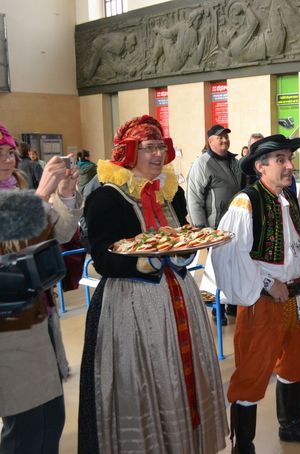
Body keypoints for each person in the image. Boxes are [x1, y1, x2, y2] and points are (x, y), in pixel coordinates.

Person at [78, 115, 228, 453]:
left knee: (182, 374)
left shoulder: (169, 192)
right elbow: (103, 259)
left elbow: (183, 235)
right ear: (129, 152)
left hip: (179, 295)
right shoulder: (107, 198)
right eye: (149, 147)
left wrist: (180, 255)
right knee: (147, 379)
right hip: (131, 303)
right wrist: (145, 260)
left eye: (161, 146)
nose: (158, 154)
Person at [209, 134, 300, 453]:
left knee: (297, 362)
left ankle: (290, 425)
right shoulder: (246, 201)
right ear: (261, 167)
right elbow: (228, 253)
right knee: (252, 370)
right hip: (261, 304)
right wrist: (265, 283)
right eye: (280, 160)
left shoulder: (290, 200)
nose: (289, 166)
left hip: (294, 300)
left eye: (289, 159)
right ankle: (243, 444)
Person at [0, 122, 81, 453]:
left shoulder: (18, 192)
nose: (7, 161)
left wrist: (64, 194)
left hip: (41, 320)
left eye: (9, 153)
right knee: (24, 433)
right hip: (10, 330)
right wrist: (42, 193)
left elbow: (60, 235)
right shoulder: (27, 196)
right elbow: (9, 247)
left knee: (51, 421)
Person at [187, 124, 244, 229]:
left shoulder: (235, 162)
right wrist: (200, 229)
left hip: (235, 224)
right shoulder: (202, 163)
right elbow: (194, 198)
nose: (225, 140)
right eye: (220, 137)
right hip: (215, 227)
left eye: (226, 137)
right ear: (210, 142)